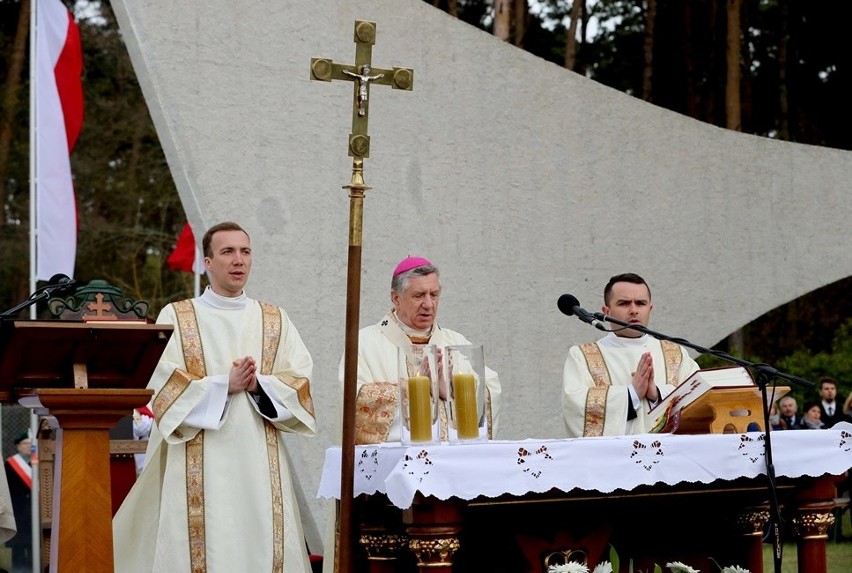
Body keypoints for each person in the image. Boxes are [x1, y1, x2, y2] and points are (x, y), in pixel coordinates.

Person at [113, 222, 316, 572]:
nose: (238, 260)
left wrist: (257, 386)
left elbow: (300, 383)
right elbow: (162, 391)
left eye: (245, 252)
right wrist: (225, 385)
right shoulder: (178, 316)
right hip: (198, 462)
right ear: (208, 262)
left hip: (259, 461)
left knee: (260, 543)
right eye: (227, 252)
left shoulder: (274, 319)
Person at [343, 256, 501, 444]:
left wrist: (449, 390)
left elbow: (491, 390)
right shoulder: (363, 343)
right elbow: (354, 401)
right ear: (396, 298)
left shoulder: (457, 343)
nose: (428, 304)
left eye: (433, 295)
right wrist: (416, 389)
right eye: (419, 295)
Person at [562, 273, 700, 437]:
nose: (634, 310)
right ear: (607, 311)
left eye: (641, 303)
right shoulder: (583, 356)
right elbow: (576, 407)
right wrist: (631, 394)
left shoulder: (676, 354)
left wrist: (656, 394)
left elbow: (698, 399)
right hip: (614, 458)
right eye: (624, 303)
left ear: (650, 309)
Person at [4, 433, 32, 572]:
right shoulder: (9, 464)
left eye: (30, 443)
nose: (28, 446)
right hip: (17, 509)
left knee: (33, 544)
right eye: (25, 443)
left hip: (33, 510)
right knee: (18, 544)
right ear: (18, 446)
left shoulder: (38, 462)